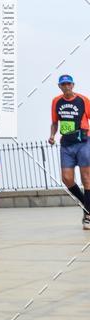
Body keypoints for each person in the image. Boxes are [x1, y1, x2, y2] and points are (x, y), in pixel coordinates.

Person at [49, 73, 90, 231]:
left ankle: (87, 216)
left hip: (83, 142)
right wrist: (52, 135)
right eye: (63, 84)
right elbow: (54, 122)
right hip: (66, 144)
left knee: (86, 178)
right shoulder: (56, 102)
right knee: (66, 179)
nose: (66, 87)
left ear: (73, 85)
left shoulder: (83, 100)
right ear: (60, 86)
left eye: (68, 84)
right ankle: (87, 205)